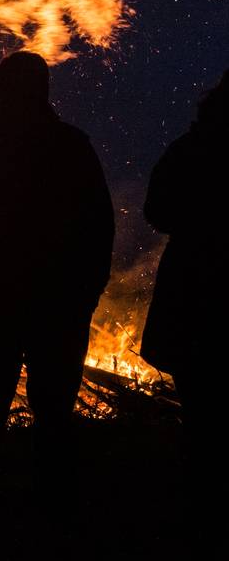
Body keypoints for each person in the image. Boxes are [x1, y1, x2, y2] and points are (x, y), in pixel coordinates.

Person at [0, 51, 114, 500]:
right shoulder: (70, 144)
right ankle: (55, 508)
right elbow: (98, 226)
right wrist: (84, 293)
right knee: (54, 413)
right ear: (44, 89)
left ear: (0, 88)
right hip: (57, 305)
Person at [141, 71, 228, 507]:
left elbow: (156, 210)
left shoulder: (189, 150)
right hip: (199, 292)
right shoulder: (191, 150)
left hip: (192, 294)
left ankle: (199, 503)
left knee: (201, 412)